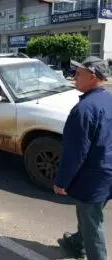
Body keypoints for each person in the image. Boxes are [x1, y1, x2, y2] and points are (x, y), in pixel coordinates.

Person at [54, 56, 112, 260]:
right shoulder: (109, 99)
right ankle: (78, 243)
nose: (74, 77)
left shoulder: (84, 110)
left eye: (78, 74)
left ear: (93, 76)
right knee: (89, 213)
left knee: (91, 219)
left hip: (94, 177)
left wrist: (61, 182)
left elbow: (74, 153)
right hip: (107, 174)